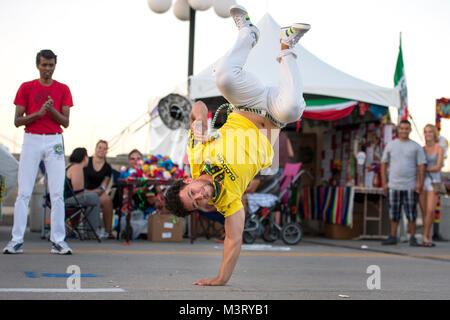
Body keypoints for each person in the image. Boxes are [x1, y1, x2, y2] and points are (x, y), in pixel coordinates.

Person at [164, 5, 309, 286]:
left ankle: (247, 33)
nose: (201, 196)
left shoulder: (196, 154)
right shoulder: (228, 201)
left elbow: (198, 105)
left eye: (193, 192)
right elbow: (233, 239)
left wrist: (198, 122)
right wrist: (220, 279)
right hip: (275, 116)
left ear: (188, 180)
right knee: (293, 108)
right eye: (197, 203)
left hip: (247, 103)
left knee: (223, 77)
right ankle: (286, 45)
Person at [3, 49, 74, 255]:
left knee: (57, 193)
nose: (48, 69)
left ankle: (59, 241)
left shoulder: (63, 89)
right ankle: (16, 241)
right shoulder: (26, 87)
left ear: (55, 66)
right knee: (24, 192)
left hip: (55, 140)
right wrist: (38, 113)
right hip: (31, 138)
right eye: (44, 65)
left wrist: (51, 111)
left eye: (51, 65)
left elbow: (66, 122)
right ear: (38, 65)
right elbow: (17, 121)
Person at [381, 120, 426, 246]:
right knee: (394, 212)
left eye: (406, 128)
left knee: (411, 212)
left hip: (410, 186)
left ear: (410, 130)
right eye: (402, 128)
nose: (404, 131)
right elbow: (383, 163)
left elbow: (421, 166)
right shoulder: (390, 145)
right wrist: (384, 183)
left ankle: (412, 237)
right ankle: (393, 236)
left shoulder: (415, 146)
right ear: (398, 130)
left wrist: (419, 183)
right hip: (393, 185)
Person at [66, 148, 102, 238]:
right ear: (84, 158)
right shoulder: (77, 167)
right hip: (67, 199)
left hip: (63, 198)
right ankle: (92, 232)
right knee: (94, 197)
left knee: (91, 198)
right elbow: (78, 192)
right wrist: (95, 191)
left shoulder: (69, 166)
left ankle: (86, 230)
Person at [419, 124, 444, 247]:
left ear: (434, 133)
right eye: (425, 132)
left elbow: (438, 166)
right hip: (423, 181)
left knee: (430, 210)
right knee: (423, 211)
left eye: (430, 132)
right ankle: (427, 236)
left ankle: (425, 236)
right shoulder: (422, 149)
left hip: (434, 181)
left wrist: (425, 169)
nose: (428, 134)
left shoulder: (439, 148)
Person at [84, 140, 115, 239]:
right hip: (83, 190)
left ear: (107, 151)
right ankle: (73, 228)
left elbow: (104, 185)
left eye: (104, 148)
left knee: (107, 200)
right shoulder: (86, 161)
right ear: (95, 148)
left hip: (98, 192)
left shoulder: (107, 167)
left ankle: (108, 231)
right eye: (100, 147)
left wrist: (98, 191)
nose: (101, 150)